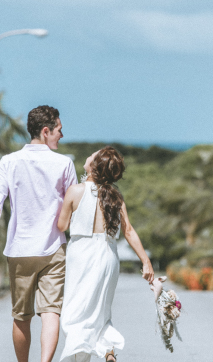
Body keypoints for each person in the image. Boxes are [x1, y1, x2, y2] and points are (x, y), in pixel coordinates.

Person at [0, 105, 78, 362]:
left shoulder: (9, 162)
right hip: (55, 248)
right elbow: (75, 205)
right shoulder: (65, 163)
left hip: (19, 249)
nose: (62, 136)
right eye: (59, 130)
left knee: (21, 316)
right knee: (51, 312)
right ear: (46, 131)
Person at [57, 146, 155, 362]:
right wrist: (145, 261)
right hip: (108, 256)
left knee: (75, 314)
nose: (89, 154)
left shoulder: (75, 191)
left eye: (92, 155)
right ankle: (107, 348)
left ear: (93, 167)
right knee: (100, 312)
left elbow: (61, 225)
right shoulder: (115, 197)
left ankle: (85, 356)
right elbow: (128, 231)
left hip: (82, 254)